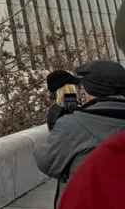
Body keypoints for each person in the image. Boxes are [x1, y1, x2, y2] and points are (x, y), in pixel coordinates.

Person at [36, 59, 125, 199]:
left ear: (90, 92)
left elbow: (47, 161)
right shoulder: (66, 117)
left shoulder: (70, 123)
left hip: (85, 204)